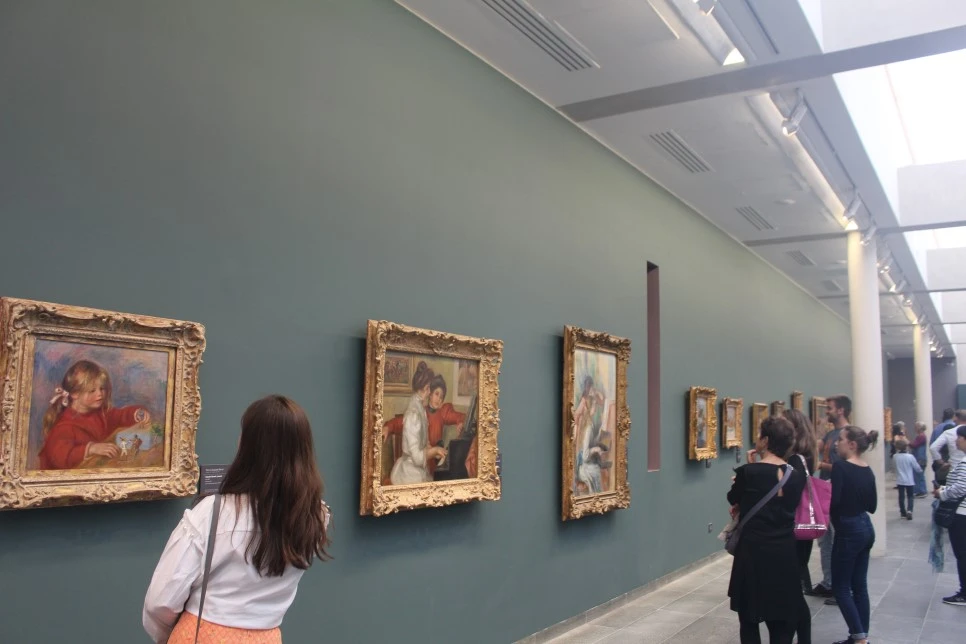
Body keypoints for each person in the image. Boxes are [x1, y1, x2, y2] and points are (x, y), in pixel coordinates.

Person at [143, 395, 331, 643]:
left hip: (202, 635)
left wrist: (172, 635)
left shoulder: (213, 512)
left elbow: (160, 601)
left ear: (249, 446)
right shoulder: (315, 515)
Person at [728, 416, 810, 644]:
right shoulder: (796, 476)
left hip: (752, 553)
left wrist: (750, 467)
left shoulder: (748, 473)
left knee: (749, 621)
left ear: (765, 441)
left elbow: (734, 498)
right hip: (784, 553)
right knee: (782, 623)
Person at [38, 360, 150, 469]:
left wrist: (136, 413)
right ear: (75, 394)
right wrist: (91, 449)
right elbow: (60, 458)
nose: (100, 394)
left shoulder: (101, 413)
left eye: (102, 388)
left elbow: (120, 415)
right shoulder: (64, 426)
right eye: (92, 391)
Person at [830, 426, 879, 644]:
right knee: (859, 586)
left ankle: (859, 638)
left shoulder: (840, 467)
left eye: (840, 439)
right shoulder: (867, 469)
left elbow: (835, 502)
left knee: (841, 587)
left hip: (848, 529)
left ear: (851, 444)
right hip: (865, 526)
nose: (836, 443)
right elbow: (872, 505)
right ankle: (860, 635)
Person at [383, 374, 465, 476]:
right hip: (421, 461)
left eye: (441, 397)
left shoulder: (443, 413)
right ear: (430, 394)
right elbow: (400, 422)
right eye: (436, 394)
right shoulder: (420, 412)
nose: (439, 399)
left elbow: (459, 416)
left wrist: (460, 422)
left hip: (435, 462)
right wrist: (388, 427)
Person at [813, 394, 851, 600]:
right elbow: (815, 448)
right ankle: (829, 582)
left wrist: (820, 465)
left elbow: (845, 467)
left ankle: (840, 585)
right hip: (824, 489)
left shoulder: (847, 435)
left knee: (837, 539)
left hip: (837, 493)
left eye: (829, 408)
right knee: (825, 539)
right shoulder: (831, 434)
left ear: (841, 410)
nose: (826, 412)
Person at [389, 362, 446, 485]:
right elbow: (417, 458)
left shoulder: (420, 408)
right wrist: (435, 450)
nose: (430, 392)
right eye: (429, 388)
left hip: (419, 469)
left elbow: (423, 444)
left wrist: (435, 452)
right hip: (409, 472)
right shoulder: (413, 414)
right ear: (424, 388)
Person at [782, 409, 819, 596]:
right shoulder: (806, 455)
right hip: (802, 518)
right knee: (798, 565)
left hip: (795, 520)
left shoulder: (796, 459)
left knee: (793, 568)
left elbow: (790, 493)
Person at [933, 425, 966, 606]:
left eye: (959, 437)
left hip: (961, 513)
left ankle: (964, 593)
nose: (956, 440)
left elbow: (961, 487)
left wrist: (942, 493)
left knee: (962, 553)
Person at [931, 409, 966, 486]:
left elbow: (933, 448)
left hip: (954, 469)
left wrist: (942, 462)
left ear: (956, 418)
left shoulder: (949, 432)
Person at [893, 438, 921, 520]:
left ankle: (902, 512)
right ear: (906, 447)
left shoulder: (895, 456)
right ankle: (909, 511)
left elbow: (894, 467)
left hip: (900, 479)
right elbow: (916, 467)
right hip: (909, 479)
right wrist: (920, 470)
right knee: (910, 496)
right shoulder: (910, 457)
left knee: (901, 497)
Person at [910, 422, 928, 497]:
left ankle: (921, 491)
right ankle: (920, 490)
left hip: (920, 458)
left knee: (919, 475)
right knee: (919, 475)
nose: (915, 428)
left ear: (919, 428)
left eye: (916, 426)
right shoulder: (921, 436)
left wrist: (906, 441)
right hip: (920, 458)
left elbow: (914, 445)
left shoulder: (921, 436)